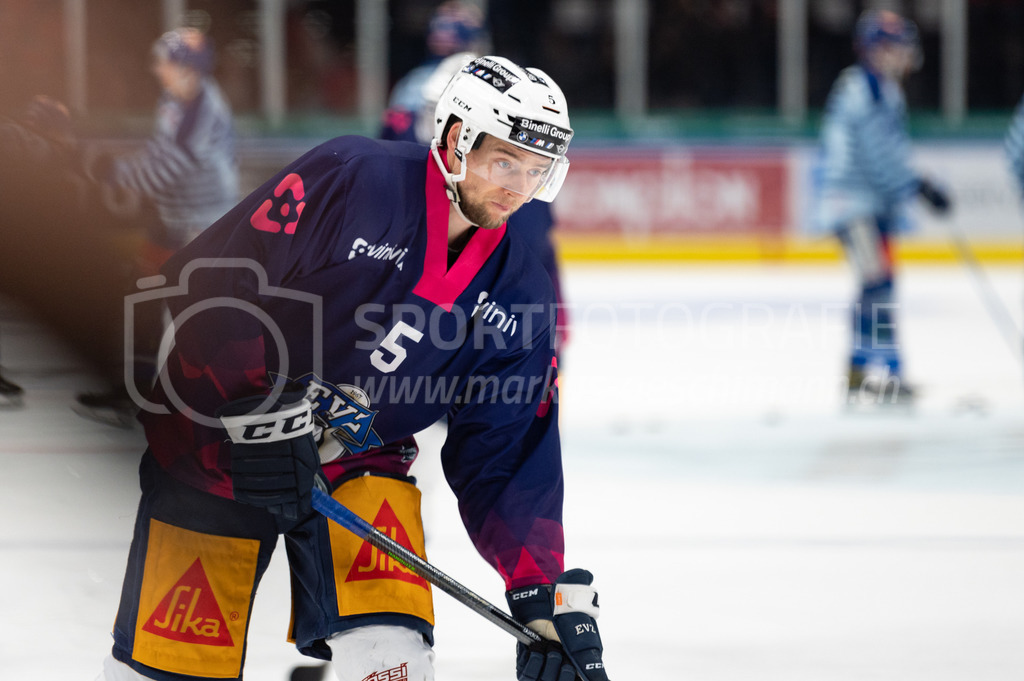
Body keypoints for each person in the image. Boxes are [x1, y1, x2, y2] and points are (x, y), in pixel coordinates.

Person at [97, 55, 608, 681]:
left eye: (536, 170)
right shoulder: (352, 180)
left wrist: (539, 588)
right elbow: (213, 283)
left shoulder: (519, 289)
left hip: (362, 456)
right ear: (454, 141)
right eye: (505, 161)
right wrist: (255, 407)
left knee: (394, 660)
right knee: (171, 671)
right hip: (216, 454)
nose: (518, 187)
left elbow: (506, 449)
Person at [76, 27, 239, 424]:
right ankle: (137, 388)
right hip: (174, 219)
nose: (158, 70)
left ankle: (217, 401)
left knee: (196, 314)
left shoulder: (202, 111)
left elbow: (162, 171)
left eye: (166, 63)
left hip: (201, 226)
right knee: (145, 301)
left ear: (189, 69)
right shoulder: (177, 99)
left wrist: (108, 171)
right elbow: (157, 154)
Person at [383, 45, 569, 356]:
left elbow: (539, 256)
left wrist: (554, 326)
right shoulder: (380, 180)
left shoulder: (514, 193)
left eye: (535, 170)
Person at [815, 9, 951, 405]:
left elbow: (889, 153)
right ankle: (887, 373)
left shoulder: (882, 90)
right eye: (895, 46)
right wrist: (918, 186)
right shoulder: (864, 90)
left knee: (874, 285)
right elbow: (879, 156)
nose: (903, 54)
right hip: (852, 204)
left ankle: (861, 371)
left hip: (868, 204)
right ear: (875, 49)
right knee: (879, 284)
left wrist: (913, 185)